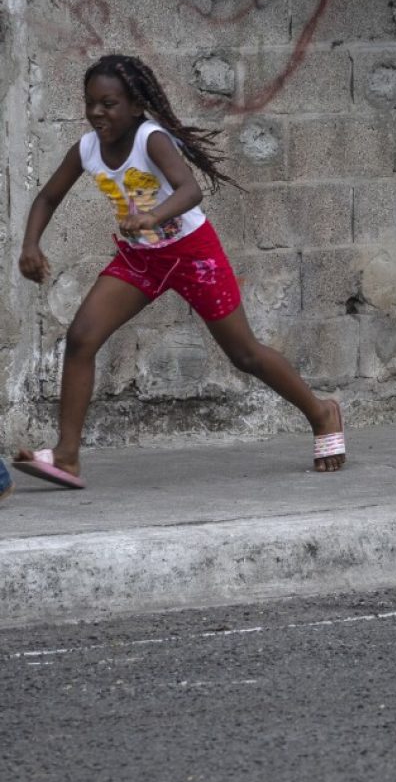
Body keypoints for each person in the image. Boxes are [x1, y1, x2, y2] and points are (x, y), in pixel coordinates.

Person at [13, 54, 346, 491]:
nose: (97, 112)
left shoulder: (152, 139)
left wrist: (153, 217)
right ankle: (67, 456)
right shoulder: (88, 148)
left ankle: (322, 412)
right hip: (141, 260)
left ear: (135, 105)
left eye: (108, 103)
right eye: (90, 103)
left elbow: (187, 188)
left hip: (193, 255)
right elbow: (47, 198)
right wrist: (31, 244)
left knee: (244, 355)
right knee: (81, 339)